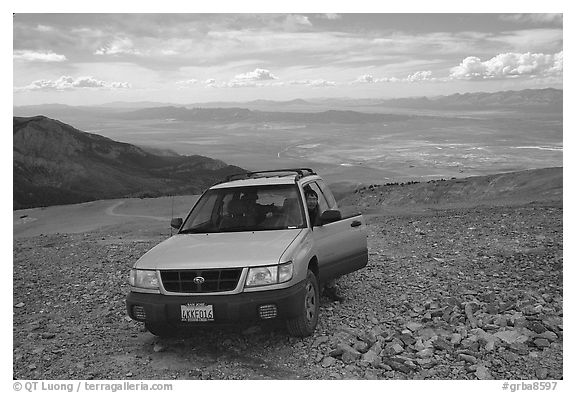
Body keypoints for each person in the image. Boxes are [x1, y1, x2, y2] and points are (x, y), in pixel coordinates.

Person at [304, 188, 344, 302]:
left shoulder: (319, 213)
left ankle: (329, 289)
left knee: (329, 262)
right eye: (309, 199)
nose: (312, 202)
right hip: (304, 244)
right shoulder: (300, 213)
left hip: (318, 242)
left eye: (314, 199)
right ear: (304, 200)